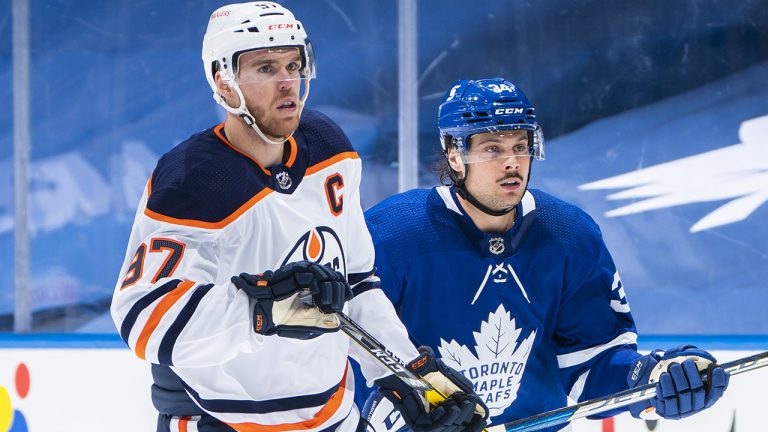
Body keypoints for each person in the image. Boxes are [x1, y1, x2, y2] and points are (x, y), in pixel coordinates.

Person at [110, 3, 487, 432]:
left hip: (333, 418)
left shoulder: (329, 147)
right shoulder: (193, 182)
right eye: (266, 68)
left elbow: (357, 284)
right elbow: (143, 317)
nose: (288, 82)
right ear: (223, 81)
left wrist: (408, 375)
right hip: (222, 421)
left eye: (293, 64)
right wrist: (264, 307)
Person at [358, 78, 730, 431]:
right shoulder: (390, 235)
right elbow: (348, 355)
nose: (512, 163)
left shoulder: (568, 235)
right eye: (493, 149)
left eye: (520, 147)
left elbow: (593, 363)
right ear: (455, 155)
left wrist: (653, 377)